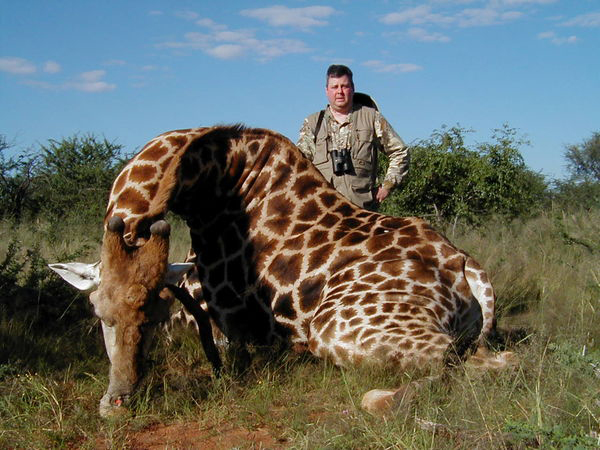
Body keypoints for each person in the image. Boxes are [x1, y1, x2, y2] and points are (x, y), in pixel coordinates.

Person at [297, 64, 409, 211]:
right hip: (324, 213)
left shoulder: (371, 117)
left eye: (344, 86)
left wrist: (387, 186)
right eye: (334, 87)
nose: (339, 91)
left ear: (353, 88)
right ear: (326, 90)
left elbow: (400, 152)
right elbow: (298, 165)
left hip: (362, 213)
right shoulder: (312, 123)